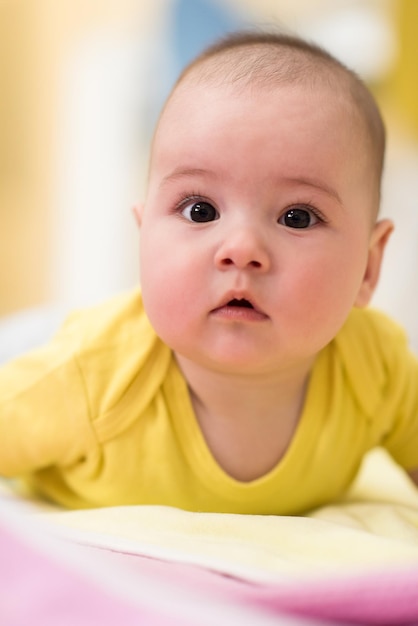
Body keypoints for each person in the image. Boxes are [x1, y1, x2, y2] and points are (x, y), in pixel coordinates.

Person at [1, 31, 417, 513]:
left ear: (369, 266)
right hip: (35, 345)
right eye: (200, 210)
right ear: (144, 240)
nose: (241, 250)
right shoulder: (86, 379)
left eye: (297, 217)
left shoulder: (375, 368)